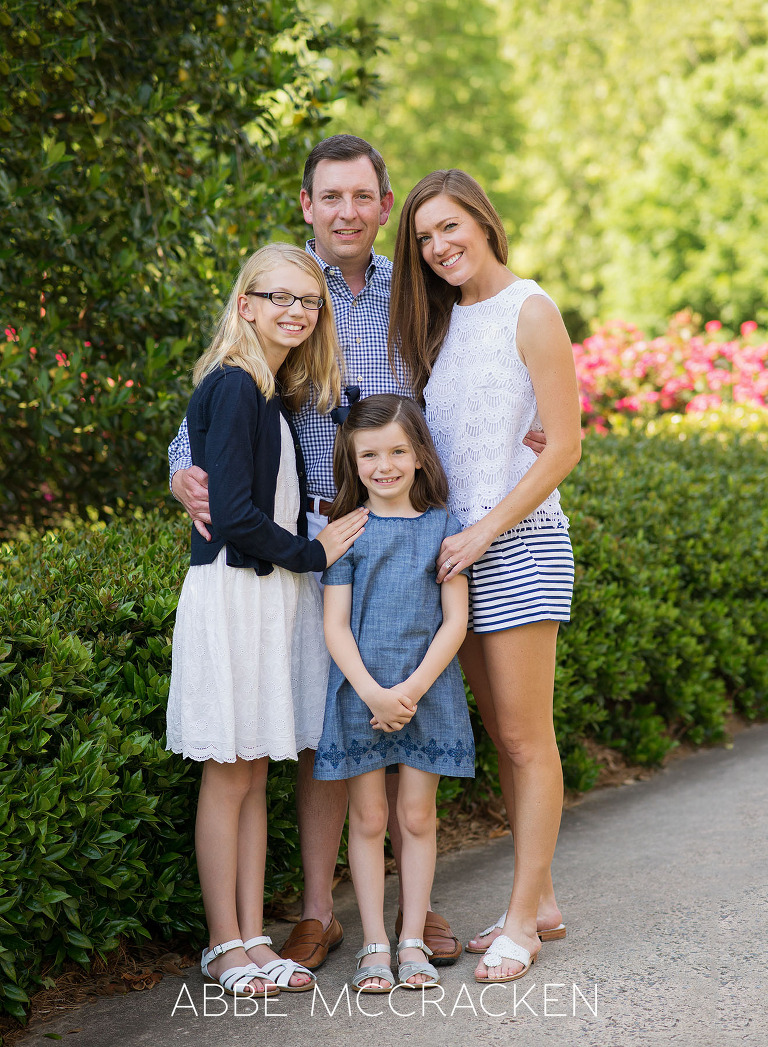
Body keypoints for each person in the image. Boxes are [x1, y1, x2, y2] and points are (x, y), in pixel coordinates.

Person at [168, 136, 470, 968]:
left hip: (392, 534)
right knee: (311, 727)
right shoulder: (282, 290)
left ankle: (411, 908)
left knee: (386, 707)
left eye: (362, 197)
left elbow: (456, 394)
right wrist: (184, 481)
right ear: (307, 205)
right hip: (298, 546)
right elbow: (197, 437)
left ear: (383, 205)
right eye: (329, 197)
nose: (346, 211)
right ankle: (313, 911)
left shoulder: (412, 295)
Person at [389, 170, 582, 985]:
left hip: (520, 544)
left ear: (483, 219)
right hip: (458, 554)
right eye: (425, 239)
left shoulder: (530, 310)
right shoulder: (445, 322)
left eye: (449, 227)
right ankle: (536, 899)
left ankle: (520, 923)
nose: (438, 247)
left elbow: (565, 445)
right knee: (504, 734)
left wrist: (484, 531)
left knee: (527, 736)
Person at [166, 242, 368, 998]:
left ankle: (253, 935)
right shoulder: (231, 388)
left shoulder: (269, 393)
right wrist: (313, 552)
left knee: (252, 769)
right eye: (278, 296)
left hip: (264, 596)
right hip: (233, 595)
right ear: (245, 304)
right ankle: (223, 945)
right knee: (228, 773)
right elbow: (234, 514)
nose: (294, 310)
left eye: (308, 302)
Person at [315, 394, 473, 992]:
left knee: (416, 814)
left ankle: (412, 941)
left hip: (426, 691)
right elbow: (334, 625)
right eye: (370, 455)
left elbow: (454, 622)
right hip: (361, 696)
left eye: (398, 451)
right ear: (352, 462)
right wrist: (375, 694)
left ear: (419, 456)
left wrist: (408, 690)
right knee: (370, 816)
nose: (385, 466)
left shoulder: (444, 527)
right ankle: (374, 945)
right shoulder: (347, 534)